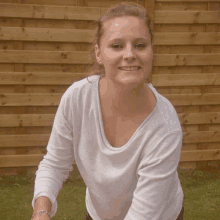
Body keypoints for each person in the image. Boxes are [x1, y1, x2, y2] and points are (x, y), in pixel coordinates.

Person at [31, 2, 185, 220]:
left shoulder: (165, 127)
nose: (130, 54)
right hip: (98, 213)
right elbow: (55, 162)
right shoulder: (77, 98)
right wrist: (41, 211)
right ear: (98, 53)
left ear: (152, 51)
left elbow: (142, 215)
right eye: (117, 46)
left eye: (140, 45)